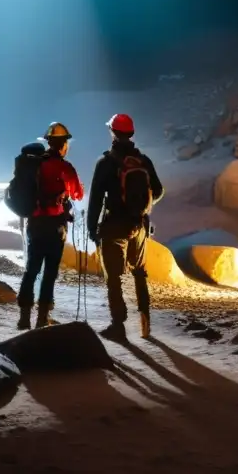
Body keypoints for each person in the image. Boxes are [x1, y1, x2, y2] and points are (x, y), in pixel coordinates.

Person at [86, 113, 164, 341]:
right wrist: (141, 205)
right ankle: (145, 322)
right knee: (140, 273)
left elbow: (96, 199)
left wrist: (93, 229)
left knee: (114, 277)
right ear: (131, 134)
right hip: (139, 226)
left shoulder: (106, 163)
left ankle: (118, 325)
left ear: (112, 132)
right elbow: (158, 190)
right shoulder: (144, 161)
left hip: (114, 226)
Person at [17, 122, 84, 330]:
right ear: (62, 144)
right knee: (49, 272)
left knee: (32, 269)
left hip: (35, 224)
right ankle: (42, 317)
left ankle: (24, 316)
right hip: (55, 227)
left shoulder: (36, 164)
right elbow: (78, 194)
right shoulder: (65, 167)